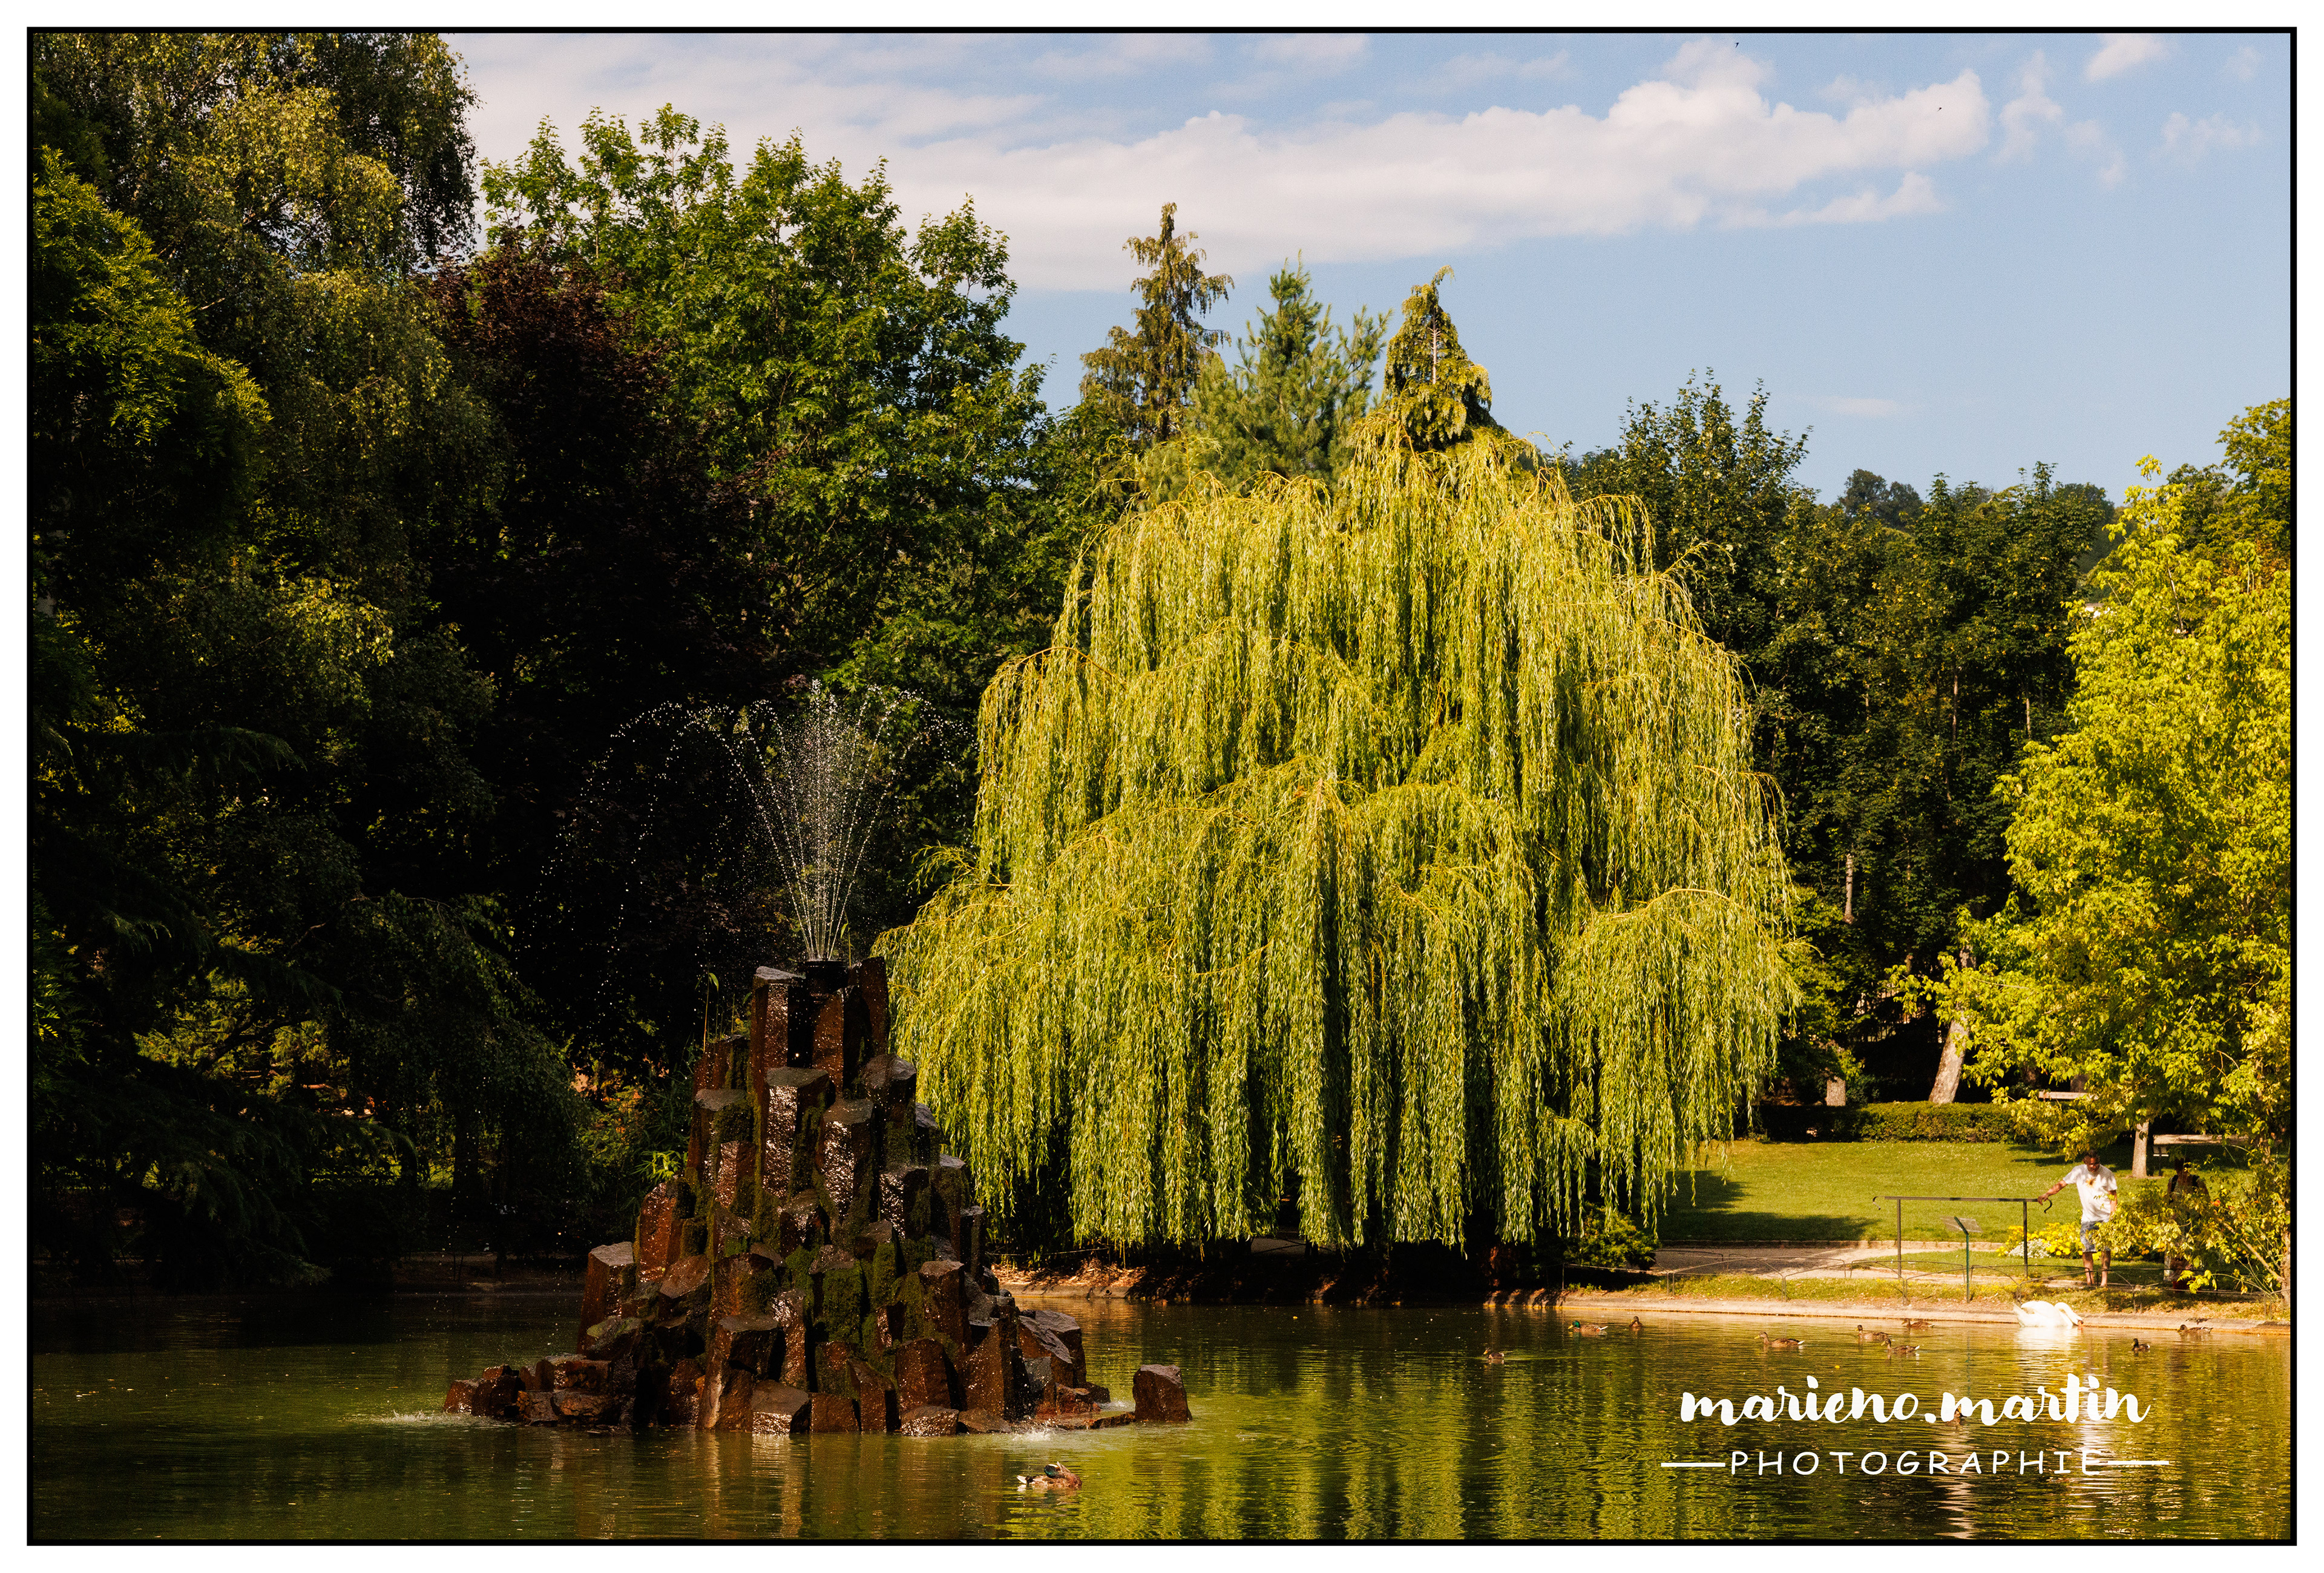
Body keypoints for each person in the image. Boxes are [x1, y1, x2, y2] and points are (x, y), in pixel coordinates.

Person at [2038, 1150, 2118, 1287]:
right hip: (2088, 1218)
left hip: (2105, 1218)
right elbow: (2062, 1184)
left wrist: (2113, 1216)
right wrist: (2047, 1194)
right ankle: (2090, 1281)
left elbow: (2113, 1196)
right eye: (2091, 1164)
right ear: (2085, 1162)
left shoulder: (2107, 1174)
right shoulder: (2078, 1172)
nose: (2094, 1167)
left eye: (2096, 1163)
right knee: (2087, 1250)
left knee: (2106, 1250)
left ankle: (2104, 1282)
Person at [2163, 1156, 2208, 1289]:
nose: (2182, 1174)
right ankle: (2178, 1284)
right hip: (2177, 1225)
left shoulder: (2197, 1182)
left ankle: (2197, 1284)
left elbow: (2206, 1201)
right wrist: (2171, 1216)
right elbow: (2168, 1201)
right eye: (2179, 1171)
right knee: (2176, 1255)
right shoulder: (2173, 1181)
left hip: (2193, 1224)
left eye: (2184, 1170)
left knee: (2194, 1253)